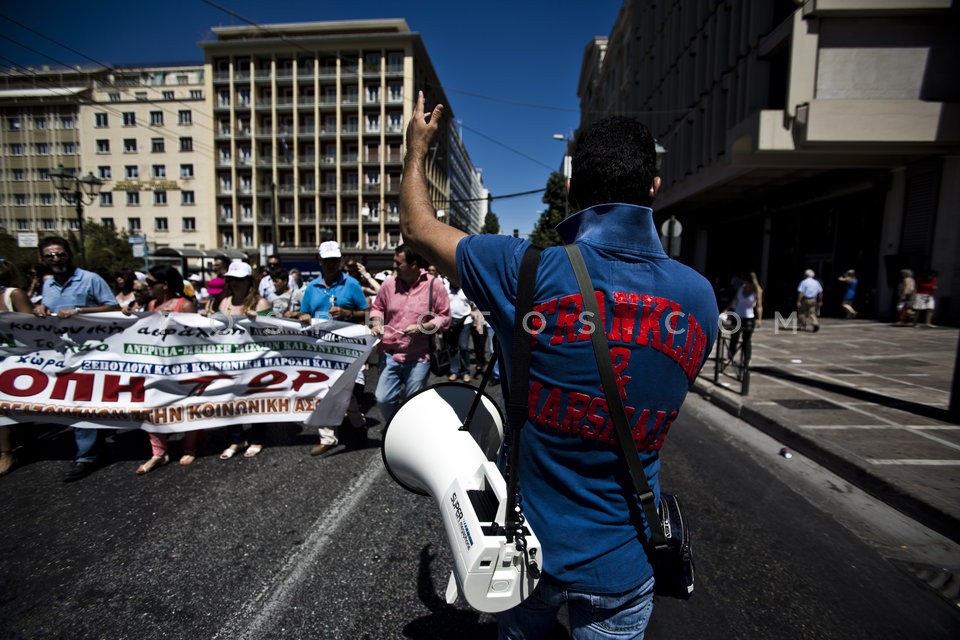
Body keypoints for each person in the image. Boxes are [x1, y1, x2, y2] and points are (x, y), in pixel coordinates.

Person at [399, 92, 718, 638]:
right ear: (654, 189)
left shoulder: (522, 269)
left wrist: (416, 152)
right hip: (625, 561)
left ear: (569, 189)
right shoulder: (701, 297)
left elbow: (419, 229)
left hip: (528, 554)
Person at [32, 237, 121, 482]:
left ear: (69, 255)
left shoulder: (90, 279)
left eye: (60, 254)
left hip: (92, 352)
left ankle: (87, 456)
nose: (56, 259)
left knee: (82, 400)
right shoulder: (48, 285)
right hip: (61, 354)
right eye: (50, 256)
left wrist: (80, 311)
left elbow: (112, 307)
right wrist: (38, 310)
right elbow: (47, 313)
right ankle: (94, 447)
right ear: (43, 259)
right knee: (74, 401)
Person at [299, 242, 370, 455]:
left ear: (339, 260)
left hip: (346, 347)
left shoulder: (352, 284)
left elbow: (367, 313)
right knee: (321, 390)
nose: (331, 264)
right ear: (319, 260)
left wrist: (348, 313)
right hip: (321, 349)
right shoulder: (311, 287)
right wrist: (303, 317)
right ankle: (327, 437)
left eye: (335, 260)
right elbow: (304, 313)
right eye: (327, 260)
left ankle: (358, 425)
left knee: (345, 393)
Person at [369, 244, 450, 426]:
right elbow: (377, 307)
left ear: (414, 264)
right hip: (390, 354)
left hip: (419, 356)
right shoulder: (389, 283)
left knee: (413, 402)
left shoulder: (433, 285)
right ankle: (397, 427)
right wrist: (376, 321)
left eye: (398, 263)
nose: (394, 266)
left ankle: (408, 434)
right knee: (383, 399)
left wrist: (422, 327)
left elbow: (444, 317)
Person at [136, 265, 202, 473]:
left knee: (187, 405)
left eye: (150, 283)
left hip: (182, 366)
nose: (147, 287)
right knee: (152, 407)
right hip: (156, 365)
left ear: (164, 285)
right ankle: (159, 452)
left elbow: (194, 338)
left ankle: (189, 448)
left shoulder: (185, 306)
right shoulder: (151, 304)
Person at [218, 261, 272, 459]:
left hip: (254, 361)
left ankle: (257, 439)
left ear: (249, 281)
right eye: (231, 279)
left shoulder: (261, 303)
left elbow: (275, 332)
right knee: (229, 400)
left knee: (254, 400)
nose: (235, 283)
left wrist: (259, 318)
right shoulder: (224, 303)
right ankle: (236, 438)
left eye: (239, 280)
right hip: (229, 360)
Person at [0, 259, 33, 477]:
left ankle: (9, 450)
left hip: (18, 359)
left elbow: (33, 328)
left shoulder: (13, 295)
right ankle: (7, 450)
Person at [725, 271, 762, 365]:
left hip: (748, 317)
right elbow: (735, 300)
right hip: (737, 316)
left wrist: (759, 319)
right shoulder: (741, 288)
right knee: (734, 337)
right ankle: (730, 357)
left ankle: (746, 359)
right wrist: (727, 310)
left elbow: (759, 306)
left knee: (746, 340)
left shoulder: (757, 290)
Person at [445, 282, 473, 383]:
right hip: (451, 323)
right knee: (452, 347)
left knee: (464, 347)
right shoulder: (445, 288)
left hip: (465, 321)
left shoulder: (466, 288)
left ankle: (465, 372)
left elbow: (473, 304)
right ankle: (454, 370)